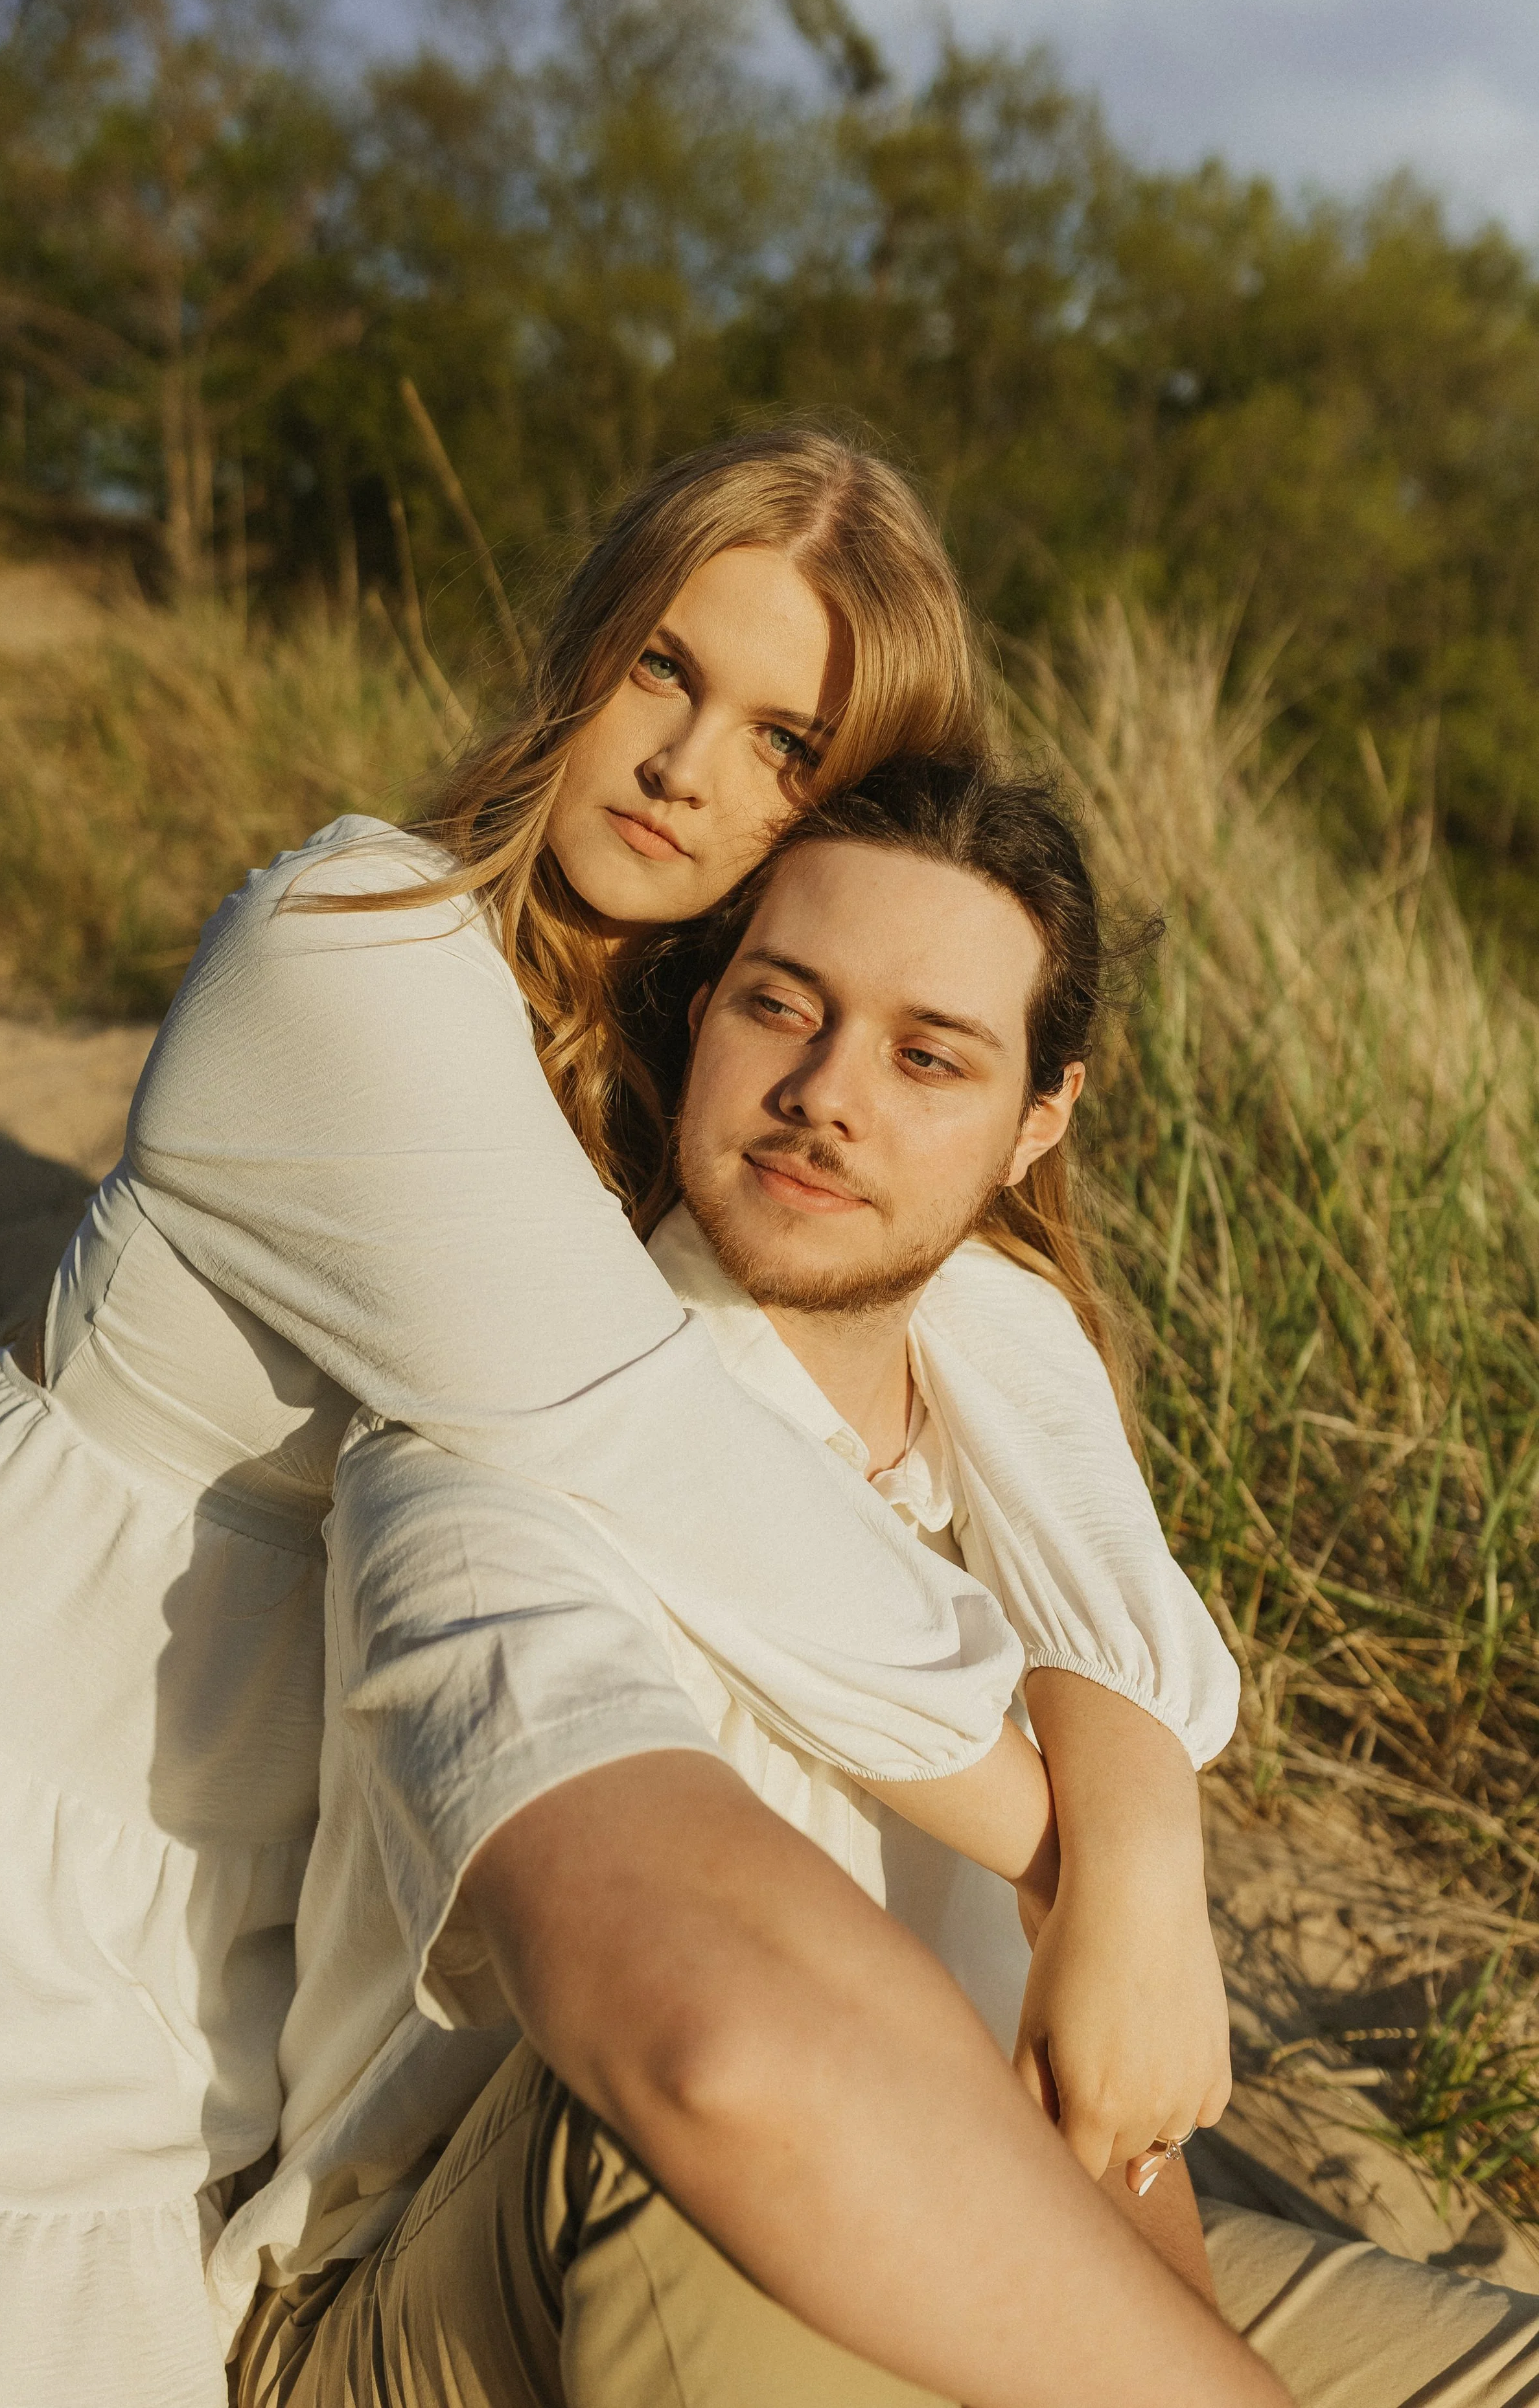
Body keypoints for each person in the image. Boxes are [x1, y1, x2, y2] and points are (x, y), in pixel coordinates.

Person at [0, 428, 1245, 2408]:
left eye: (786, 744)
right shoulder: (353, 944)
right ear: (585, 648)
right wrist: (1080, 1859)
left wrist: (1149, 1816)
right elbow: (641, 1444)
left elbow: (1011, 1334)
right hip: (16, 1775)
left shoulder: (709, 1056)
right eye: (664, 670)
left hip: (250, 1876)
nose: (686, 769)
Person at [220, 756, 1539, 2408]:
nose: (828, 1095)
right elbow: (712, 2056)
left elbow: (1099, 2051)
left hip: (960, 2198)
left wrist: (1126, 1873)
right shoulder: (493, 1455)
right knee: (733, 2125)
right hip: (463, 2295)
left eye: (929, 1057)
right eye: (782, 1007)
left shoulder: (1012, 1422)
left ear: (1033, 1121)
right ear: (700, 1021)